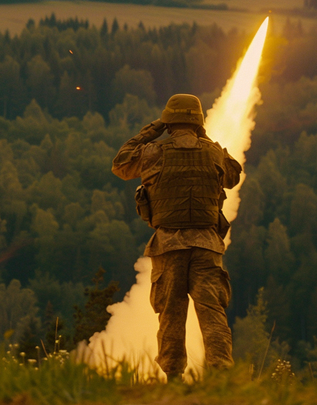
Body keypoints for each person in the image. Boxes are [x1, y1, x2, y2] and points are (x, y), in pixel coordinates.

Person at [111, 94, 242, 380]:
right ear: (199, 121)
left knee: (170, 314)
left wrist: (152, 129)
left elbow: (120, 164)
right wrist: (206, 138)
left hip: (169, 245)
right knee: (212, 312)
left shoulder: (153, 152)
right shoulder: (213, 152)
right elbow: (233, 176)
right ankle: (221, 375)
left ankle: (173, 378)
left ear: (169, 120)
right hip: (207, 246)